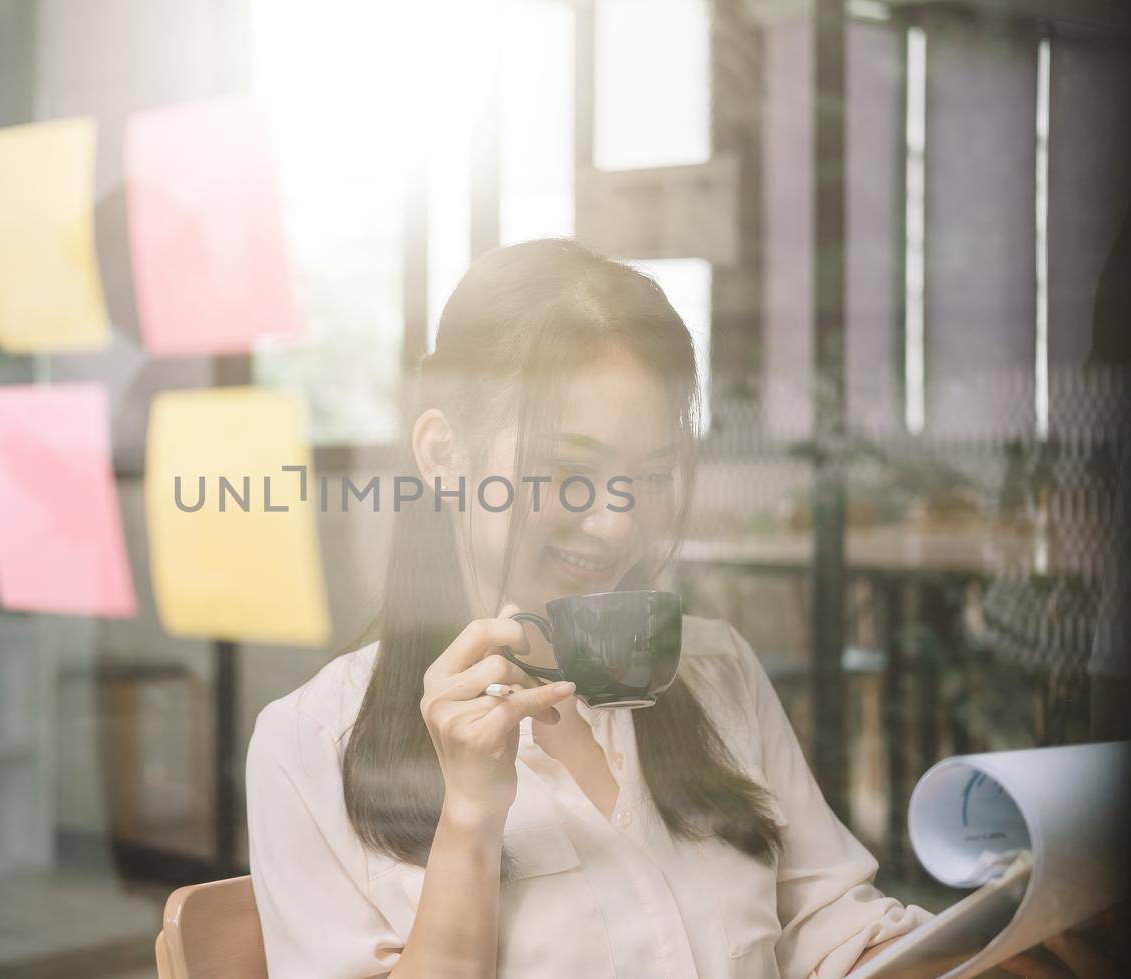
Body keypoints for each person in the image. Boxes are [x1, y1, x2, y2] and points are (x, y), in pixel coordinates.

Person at [245, 239, 929, 977]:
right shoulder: (309, 745)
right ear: (445, 454)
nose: (616, 522)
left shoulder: (713, 669)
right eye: (569, 472)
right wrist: (470, 818)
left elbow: (832, 927)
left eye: (654, 472)